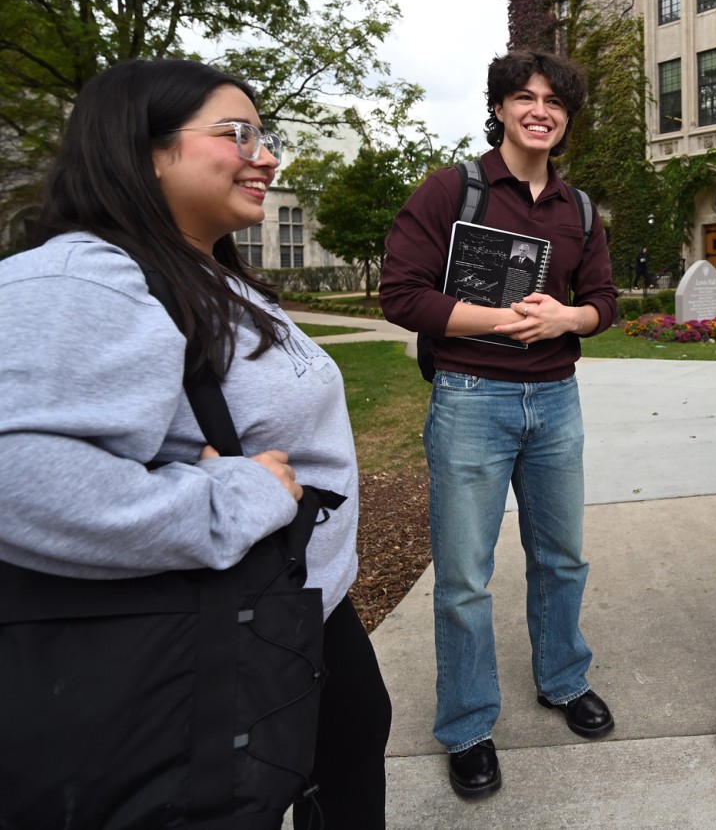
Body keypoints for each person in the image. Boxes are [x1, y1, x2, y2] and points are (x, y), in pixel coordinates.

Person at [0, 59, 391, 828]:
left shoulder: (201, 272)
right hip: (210, 631)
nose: (267, 155)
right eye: (236, 133)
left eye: (265, 135)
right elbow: (19, 478)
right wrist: (227, 498)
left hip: (286, 612)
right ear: (140, 149)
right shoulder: (87, 277)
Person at [380, 50, 618, 801]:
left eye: (553, 101)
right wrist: (505, 321)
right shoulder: (454, 189)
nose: (539, 110)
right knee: (462, 578)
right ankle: (468, 726)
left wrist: (568, 317)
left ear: (567, 118)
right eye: (524, 98)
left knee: (561, 557)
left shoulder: (579, 210)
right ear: (501, 108)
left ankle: (563, 679)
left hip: (555, 402)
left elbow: (605, 302)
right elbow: (401, 293)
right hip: (470, 397)